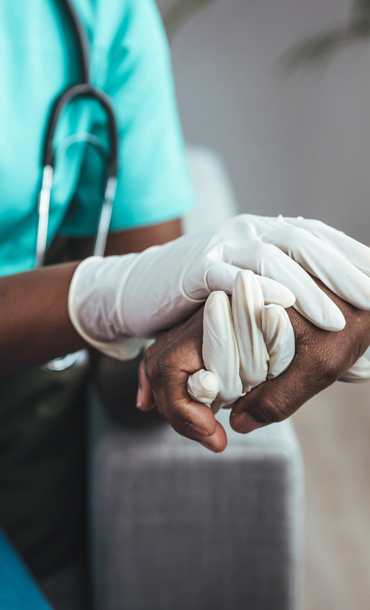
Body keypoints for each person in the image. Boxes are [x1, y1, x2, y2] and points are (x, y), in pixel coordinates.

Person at [1, 0, 370, 608]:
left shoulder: (102, 15)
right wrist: (97, 295)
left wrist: (201, 346)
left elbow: (136, 366)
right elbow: (123, 291)